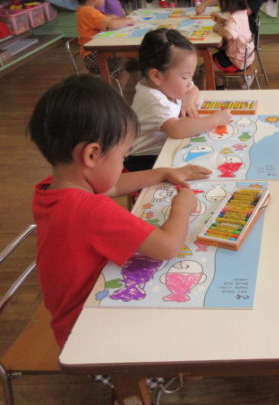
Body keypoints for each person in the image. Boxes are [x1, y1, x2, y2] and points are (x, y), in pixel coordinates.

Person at [28, 74, 213, 348]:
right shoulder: (90, 209)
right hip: (89, 336)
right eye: (123, 156)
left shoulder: (52, 189)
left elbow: (112, 186)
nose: (123, 164)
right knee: (192, 340)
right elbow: (167, 247)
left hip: (72, 318)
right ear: (92, 155)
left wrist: (162, 172)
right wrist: (182, 207)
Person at [125, 28, 232, 171]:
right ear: (156, 76)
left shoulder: (168, 85)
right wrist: (215, 120)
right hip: (145, 161)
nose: (189, 82)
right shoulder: (151, 97)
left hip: (167, 147)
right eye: (184, 77)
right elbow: (176, 129)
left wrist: (187, 102)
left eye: (191, 76)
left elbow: (193, 89)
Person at [70, 0, 135, 86]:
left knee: (129, 60)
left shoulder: (84, 10)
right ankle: (116, 93)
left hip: (93, 53)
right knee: (129, 63)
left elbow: (106, 19)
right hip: (94, 56)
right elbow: (112, 24)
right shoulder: (90, 12)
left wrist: (113, 18)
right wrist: (127, 20)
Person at [211, 0, 255, 85]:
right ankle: (220, 85)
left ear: (226, 0)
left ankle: (219, 89)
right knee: (211, 58)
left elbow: (228, 35)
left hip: (237, 61)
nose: (217, 1)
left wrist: (218, 28)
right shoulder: (241, 12)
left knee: (206, 68)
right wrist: (222, 20)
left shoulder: (234, 19)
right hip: (245, 56)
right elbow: (236, 27)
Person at [195, 0, 264, 44]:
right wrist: (203, 5)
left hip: (240, 38)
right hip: (233, 32)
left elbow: (241, 16)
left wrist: (219, 27)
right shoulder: (236, 13)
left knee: (214, 42)